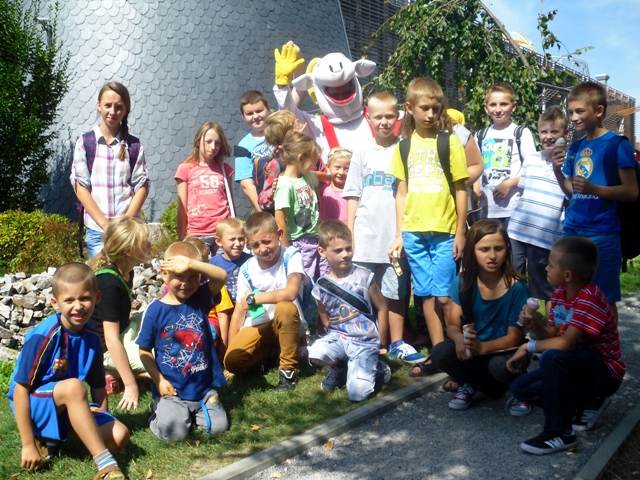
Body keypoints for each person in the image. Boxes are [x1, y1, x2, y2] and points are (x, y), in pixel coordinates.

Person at [7, 263, 130, 480]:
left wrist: (102, 425)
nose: (78, 306)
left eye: (85, 298)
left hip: (68, 403)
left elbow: (98, 388)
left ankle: (52, 441)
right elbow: (20, 390)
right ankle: (106, 465)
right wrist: (27, 444)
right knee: (74, 387)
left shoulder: (92, 339)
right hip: (33, 405)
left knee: (120, 435)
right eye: (69, 300)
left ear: (97, 298)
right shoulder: (45, 335)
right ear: (55, 303)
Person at [507, 236, 625, 455]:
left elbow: (565, 343)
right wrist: (536, 326)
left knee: (552, 357)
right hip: (574, 366)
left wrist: (526, 347)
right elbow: (554, 335)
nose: (546, 268)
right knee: (521, 388)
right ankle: (586, 404)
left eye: (551, 265)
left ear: (568, 275)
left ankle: (560, 432)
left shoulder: (589, 297)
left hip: (604, 373)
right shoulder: (560, 294)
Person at [388, 78, 469, 376]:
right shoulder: (403, 147)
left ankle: (458, 348)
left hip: (446, 231)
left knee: (446, 296)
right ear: (410, 108)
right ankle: (439, 354)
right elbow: (401, 193)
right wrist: (400, 234)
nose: (431, 114)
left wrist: (461, 232)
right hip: (414, 232)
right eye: (424, 108)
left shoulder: (449, 142)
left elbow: (461, 189)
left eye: (436, 108)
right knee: (426, 295)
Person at [343, 92, 424, 363]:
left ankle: (397, 342)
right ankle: (367, 341)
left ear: (398, 116)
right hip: (365, 235)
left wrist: (403, 234)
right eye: (378, 117)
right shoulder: (362, 152)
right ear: (369, 118)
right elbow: (353, 195)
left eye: (390, 116)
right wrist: (350, 232)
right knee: (364, 292)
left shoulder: (406, 149)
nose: (384, 122)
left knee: (395, 292)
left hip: (395, 237)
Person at [552, 81, 638, 323]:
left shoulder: (617, 145)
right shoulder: (575, 148)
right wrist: (557, 171)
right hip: (572, 230)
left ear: (599, 111)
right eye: (571, 112)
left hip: (603, 233)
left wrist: (594, 189)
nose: (573, 118)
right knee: (570, 293)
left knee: (604, 297)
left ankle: (608, 344)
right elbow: (573, 193)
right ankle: (574, 342)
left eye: (580, 111)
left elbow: (632, 191)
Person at [430, 219, 528, 409]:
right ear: (472, 251)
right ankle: (470, 382)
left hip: (504, 351)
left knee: (498, 366)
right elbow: (452, 325)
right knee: (440, 352)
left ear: (507, 249)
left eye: (498, 248)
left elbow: (514, 337)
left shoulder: (517, 288)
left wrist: (481, 348)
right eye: (484, 249)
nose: (492, 256)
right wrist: (458, 338)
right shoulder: (463, 282)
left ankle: (521, 390)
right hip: (474, 351)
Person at [136, 242, 229, 442]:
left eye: (193, 276)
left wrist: (192, 264)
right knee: (175, 434)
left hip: (203, 389)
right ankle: (158, 409)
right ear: (165, 274)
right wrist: (159, 381)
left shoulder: (200, 299)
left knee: (218, 428)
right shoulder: (154, 311)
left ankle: (190, 413)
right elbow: (144, 351)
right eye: (179, 276)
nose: (186, 284)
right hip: (172, 391)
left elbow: (221, 276)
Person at [308, 220, 391, 401]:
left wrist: (382, 339)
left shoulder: (364, 276)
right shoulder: (321, 285)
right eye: (338, 251)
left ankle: (378, 368)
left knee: (357, 395)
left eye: (348, 248)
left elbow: (382, 307)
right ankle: (341, 365)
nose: (345, 254)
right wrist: (332, 332)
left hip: (364, 341)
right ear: (322, 252)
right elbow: (323, 314)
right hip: (339, 338)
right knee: (315, 352)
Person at [224, 212, 308, 392]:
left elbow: (290, 292)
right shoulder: (247, 269)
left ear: (279, 234)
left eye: (267, 242)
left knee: (285, 307)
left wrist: (254, 298)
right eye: (255, 245)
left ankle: (287, 372)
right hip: (259, 323)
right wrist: (229, 353)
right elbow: (239, 313)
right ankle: (271, 353)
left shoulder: (291, 256)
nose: (262, 249)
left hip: (287, 323)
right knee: (233, 362)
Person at [71, 81, 150, 258]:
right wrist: (106, 225)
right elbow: (81, 187)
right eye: (108, 105)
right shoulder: (86, 143)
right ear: (99, 105)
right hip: (98, 231)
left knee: (125, 274)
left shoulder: (134, 145)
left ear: (126, 109)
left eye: (119, 107)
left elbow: (142, 185)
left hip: (127, 232)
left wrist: (125, 224)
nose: (112, 112)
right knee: (102, 275)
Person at [507, 106, 568, 315]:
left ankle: (551, 329)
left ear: (565, 134)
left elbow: (569, 197)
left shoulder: (569, 163)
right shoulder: (532, 158)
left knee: (546, 288)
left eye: (554, 132)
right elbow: (525, 191)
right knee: (515, 281)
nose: (548, 137)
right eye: (544, 131)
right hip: (518, 231)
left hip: (545, 237)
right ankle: (516, 324)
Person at [87, 216, 151, 411]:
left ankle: (117, 371)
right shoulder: (109, 283)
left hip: (124, 331)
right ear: (128, 251)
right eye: (144, 241)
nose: (150, 244)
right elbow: (110, 338)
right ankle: (109, 370)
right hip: (104, 348)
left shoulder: (127, 272)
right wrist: (130, 385)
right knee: (163, 362)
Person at [474, 82, 536, 225]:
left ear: (513, 107)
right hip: (486, 210)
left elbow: (532, 170)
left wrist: (509, 184)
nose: (498, 109)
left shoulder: (521, 133)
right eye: (493, 105)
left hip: (514, 210)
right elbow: (476, 169)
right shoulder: (480, 136)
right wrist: (475, 194)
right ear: (486, 108)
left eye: (503, 104)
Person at [175, 121, 234, 255]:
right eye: (208, 142)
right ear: (198, 142)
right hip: (197, 233)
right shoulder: (185, 168)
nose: (213, 147)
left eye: (217, 143)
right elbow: (182, 207)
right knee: (198, 267)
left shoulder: (225, 169)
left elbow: (230, 202)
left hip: (222, 232)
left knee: (222, 267)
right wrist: (180, 238)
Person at [273, 131, 324, 280]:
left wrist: (334, 176)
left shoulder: (306, 175)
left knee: (321, 276)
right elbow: (279, 219)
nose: (314, 166)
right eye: (313, 162)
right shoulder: (285, 186)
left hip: (315, 237)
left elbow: (319, 176)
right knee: (305, 280)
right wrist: (286, 250)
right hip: (299, 241)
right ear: (301, 158)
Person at [234, 90, 273, 213]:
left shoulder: (282, 133)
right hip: (268, 205)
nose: (255, 116)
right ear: (243, 116)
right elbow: (246, 183)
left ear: (268, 108)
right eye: (249, 113)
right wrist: (262, 212)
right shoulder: (241, 146)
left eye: (259, 111)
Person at [319, 147, 351, 223]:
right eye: (337, 167)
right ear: (328, 167)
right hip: (327, 229)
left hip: (346, 228)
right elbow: (312, 175)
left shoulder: (352, 190)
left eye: (347, 169)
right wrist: (328, 177)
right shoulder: (323, 186)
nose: (341, 172)